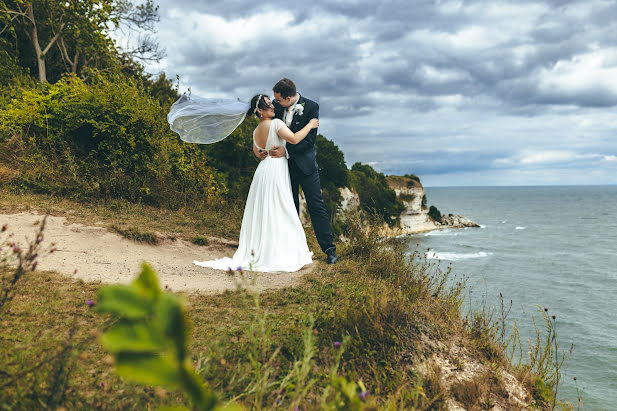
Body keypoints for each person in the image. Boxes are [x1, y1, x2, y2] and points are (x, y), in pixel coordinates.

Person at [194, 95, 317, 272]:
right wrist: (310, 125)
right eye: (268, 104)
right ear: (259, 110)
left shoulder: (255, 131)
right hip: (275, 170)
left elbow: (258, 153)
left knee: (265, 211)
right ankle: (282, 253)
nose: (273, 107)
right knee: (281, 209)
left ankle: (267, 250)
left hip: (263, 171)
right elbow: (295, 139)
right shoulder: (276, 124)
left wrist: (266, 151)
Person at [256, 78, 338, 264]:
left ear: (289, 97)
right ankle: (289, 250)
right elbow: (268, 130)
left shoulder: (311, 107)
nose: (275, 102)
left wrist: (287, 150)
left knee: (316, 207)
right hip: (282, 168)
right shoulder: (277, 107)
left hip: (306, 167)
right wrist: (264, 148)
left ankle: (329, 250)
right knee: (289, 208)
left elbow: (309, 141)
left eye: (279, 99)